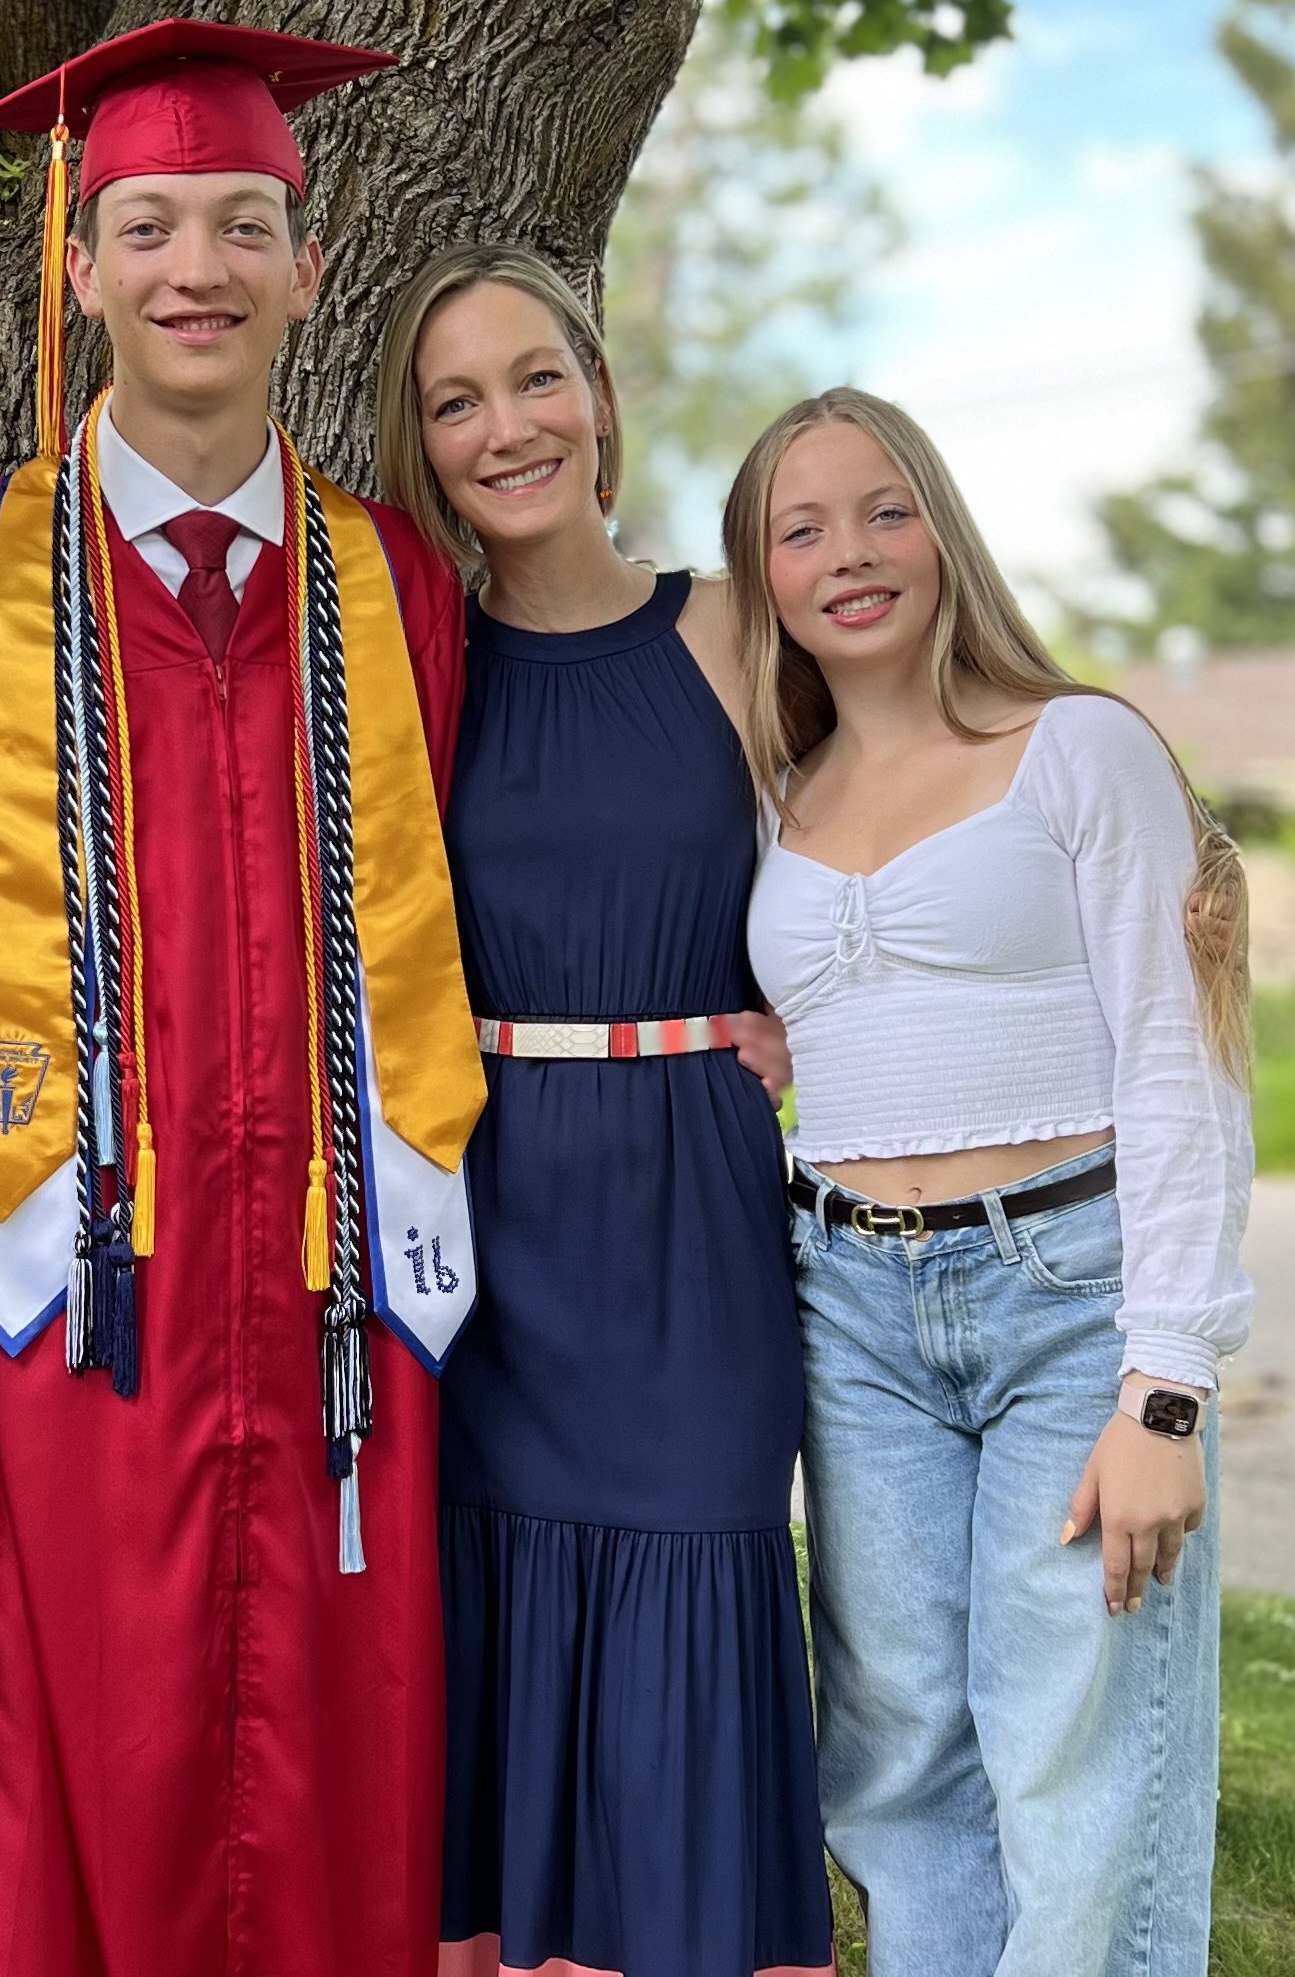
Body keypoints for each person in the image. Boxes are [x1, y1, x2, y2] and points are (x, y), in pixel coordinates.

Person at [0, 20, 488, 1977]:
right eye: (148, 225)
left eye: (245, 223)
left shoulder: (401, 590)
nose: (196, 268)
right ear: (80, 262)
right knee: (76, 1742)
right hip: (83, 1281)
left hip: (344, 1291)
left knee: (345, 1741)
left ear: (313, 266)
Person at [729, 386, 1254, 1977]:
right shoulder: (772, 801)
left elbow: (1180, 1067)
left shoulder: (1075, 748)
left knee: (1071, 1744)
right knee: (896, 1761)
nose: (852, 555)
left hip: (1066, 1301)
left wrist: (1163, 1391)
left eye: (886, 510)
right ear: (764, 578)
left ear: (943, 534)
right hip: (852, 1305)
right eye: (801, 529)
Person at [374, 242, 835, 1977]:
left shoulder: (729, 625)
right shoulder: (409, 669)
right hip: (479, 1210)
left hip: (691, 1198)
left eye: (537, 379)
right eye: (458, 401)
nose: (508, 427)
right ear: (421, 448)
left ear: (603, 400)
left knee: (700, 1579)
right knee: (493, 1607)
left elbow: (878, 842)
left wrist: (831, 1029)